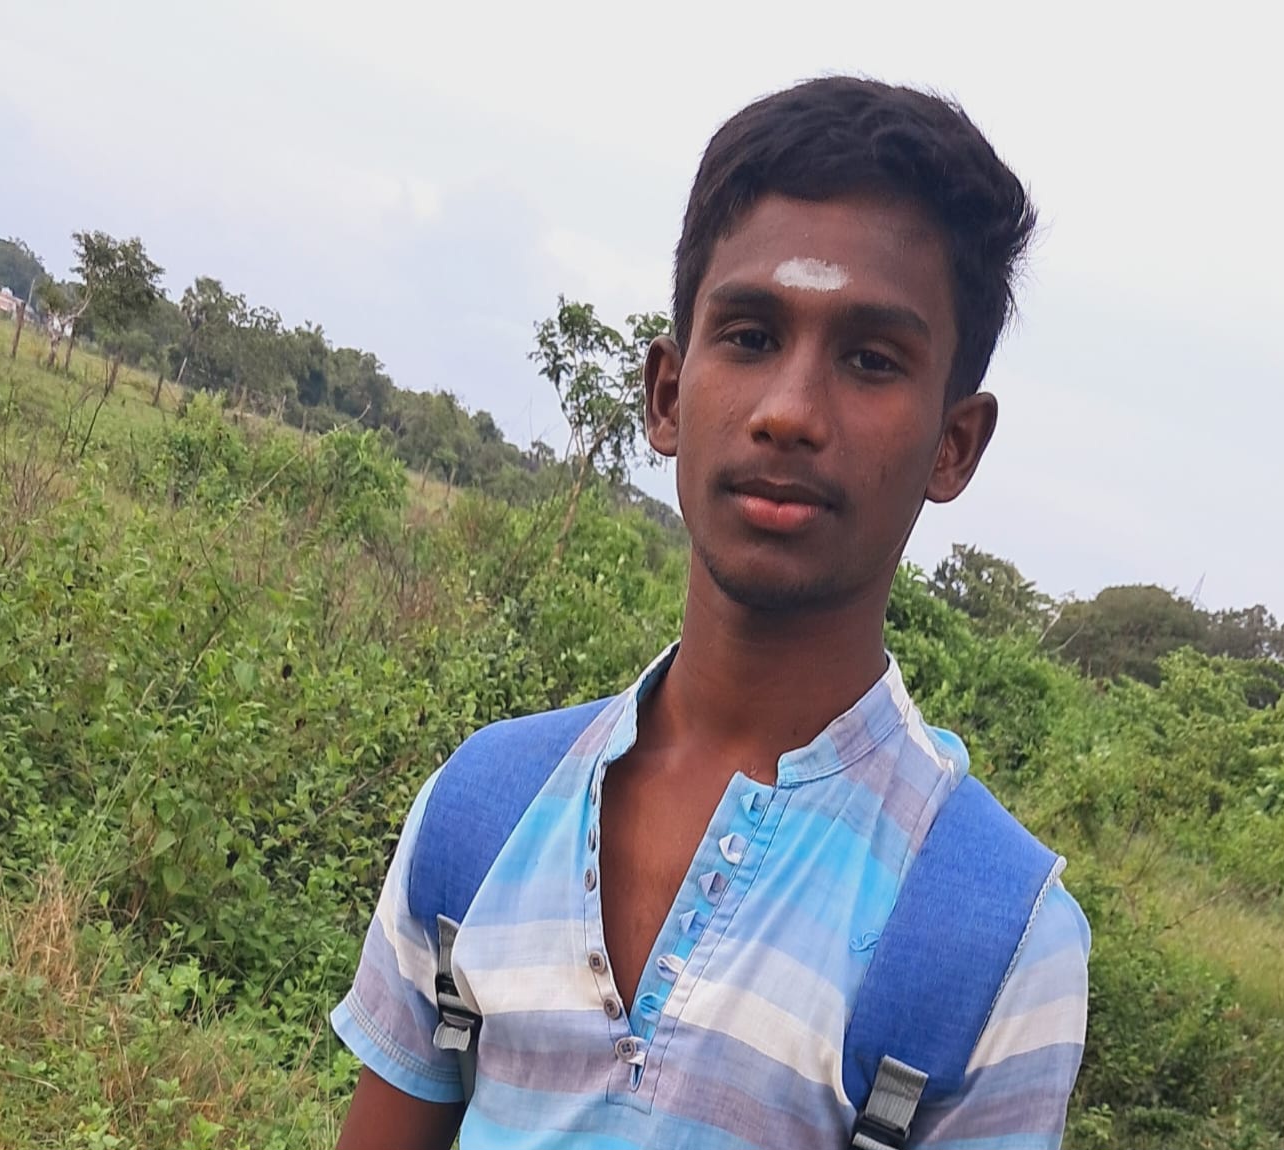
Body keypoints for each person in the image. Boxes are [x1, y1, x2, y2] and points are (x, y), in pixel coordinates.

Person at [330, 75, 1090, 1149]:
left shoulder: (993, 944)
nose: (788, 410)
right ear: (667, 395)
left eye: (872, 360)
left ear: (954, 444)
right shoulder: (482, 812)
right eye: (747, 335)